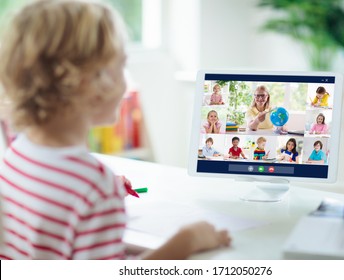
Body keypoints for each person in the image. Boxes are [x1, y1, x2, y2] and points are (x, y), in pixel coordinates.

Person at [0, 0, 230, 260]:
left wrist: (98, 197)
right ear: (90, 83)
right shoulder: (94, 186)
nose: (127, 78)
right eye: (121, 65)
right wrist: (186, 241)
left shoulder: (17, 155)